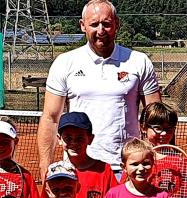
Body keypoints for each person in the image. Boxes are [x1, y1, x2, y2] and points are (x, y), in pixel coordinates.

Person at [37, 0, 161, 181]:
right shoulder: (64, 63)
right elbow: (50, 118)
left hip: (127, 169)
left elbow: (156, 118)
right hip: (78, 169)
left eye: (107, 24)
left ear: (116, 24)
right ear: (82, 26)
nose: (101, 30)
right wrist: (45, 166)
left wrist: (156, 159)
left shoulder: (139, 61)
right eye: (94, 24)